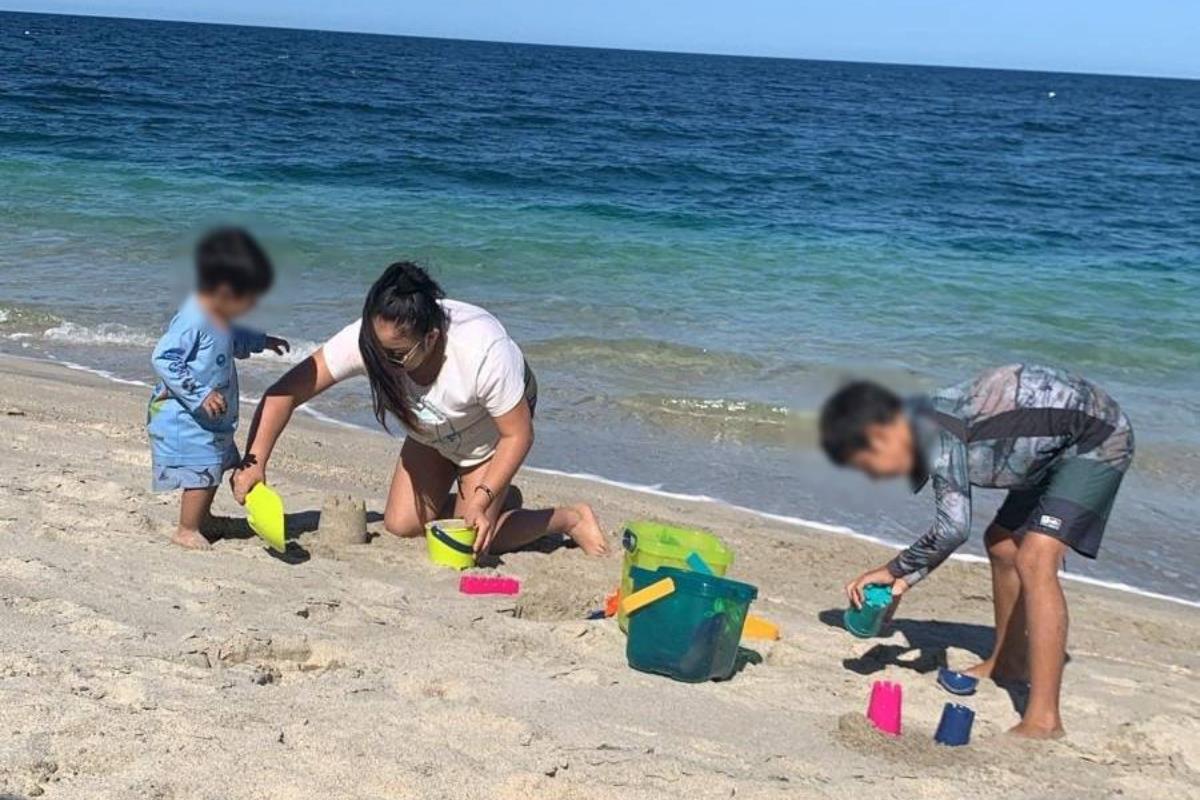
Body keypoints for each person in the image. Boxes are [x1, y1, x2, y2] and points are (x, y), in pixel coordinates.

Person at [819, 364, 1134, 738]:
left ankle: (1045, 719)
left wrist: (892, 570)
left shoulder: (933, 431)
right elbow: (950, 530)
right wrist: (905, 580)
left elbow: (952, 529)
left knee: (1036, 558)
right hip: (1050, 448)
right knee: (1002, 543)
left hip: (1096, 438)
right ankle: (1008, 663)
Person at [231, 261, 608, 557]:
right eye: (375, 350)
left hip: (489, 432)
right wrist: (255, 462)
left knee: (470, 541)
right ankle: (496, 498)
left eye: (395, 356)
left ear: (432, 337)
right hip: (432, 429)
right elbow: (284, 393)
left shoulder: (483, 352)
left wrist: (480, 498)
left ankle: (567, 519)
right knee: (401, 525)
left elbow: (519, 434)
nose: (380, 363)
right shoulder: (372, 341)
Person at [148, 228, 290, 550]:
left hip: (212, 412)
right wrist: (199, 394)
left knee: (215, 461)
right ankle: (186, 529)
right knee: (202, 467)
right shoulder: (193, 318)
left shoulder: (221, 314)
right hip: (185, 412)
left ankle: (204, 519)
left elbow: (233, 338)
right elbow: (163, 357)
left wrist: (262, 341)